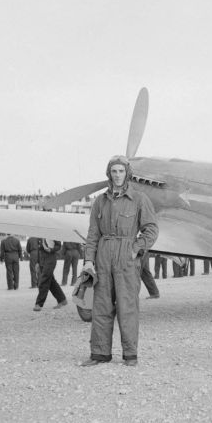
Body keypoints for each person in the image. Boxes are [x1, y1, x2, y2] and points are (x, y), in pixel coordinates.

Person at [81, 155, 158, 367]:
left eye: (121, 171)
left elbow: (151, 229)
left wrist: (136, 249)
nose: (117, 175)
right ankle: (99, 353)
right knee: (101, 307)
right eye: (114, 171)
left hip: (126, 258)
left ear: (127, 173)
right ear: (109, 173)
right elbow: (92, 234)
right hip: (103, 257)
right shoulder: (100, 201)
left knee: (127, 307)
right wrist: (89, 260)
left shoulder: (139, 199)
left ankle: (130, 355)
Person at [33, 239, 67, 311]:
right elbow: (40, 249)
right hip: (42, 259)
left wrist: (51, 250)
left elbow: (58, 246)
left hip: (50, 259)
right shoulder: (40, 234)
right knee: (51, 282)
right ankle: (62, 299)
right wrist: (37, 262)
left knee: (44, 280)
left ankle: (39, 303)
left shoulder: (52, 233)